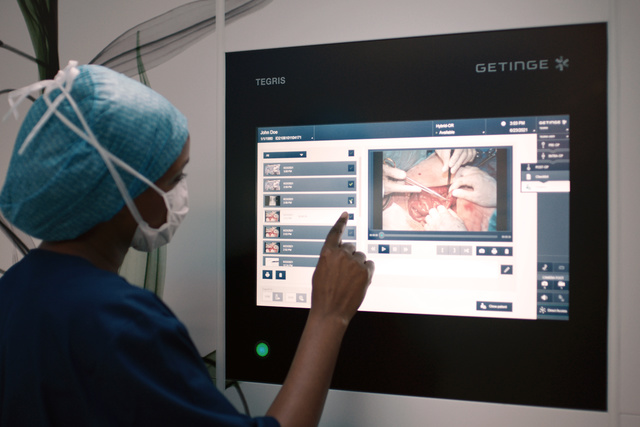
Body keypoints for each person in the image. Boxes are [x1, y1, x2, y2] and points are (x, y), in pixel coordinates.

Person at [0, 62, 374, 426]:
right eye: (175, 177)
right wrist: (329, 314)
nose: (181, 194)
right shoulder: (121, 324)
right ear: (123, 187)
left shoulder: (15, 289)